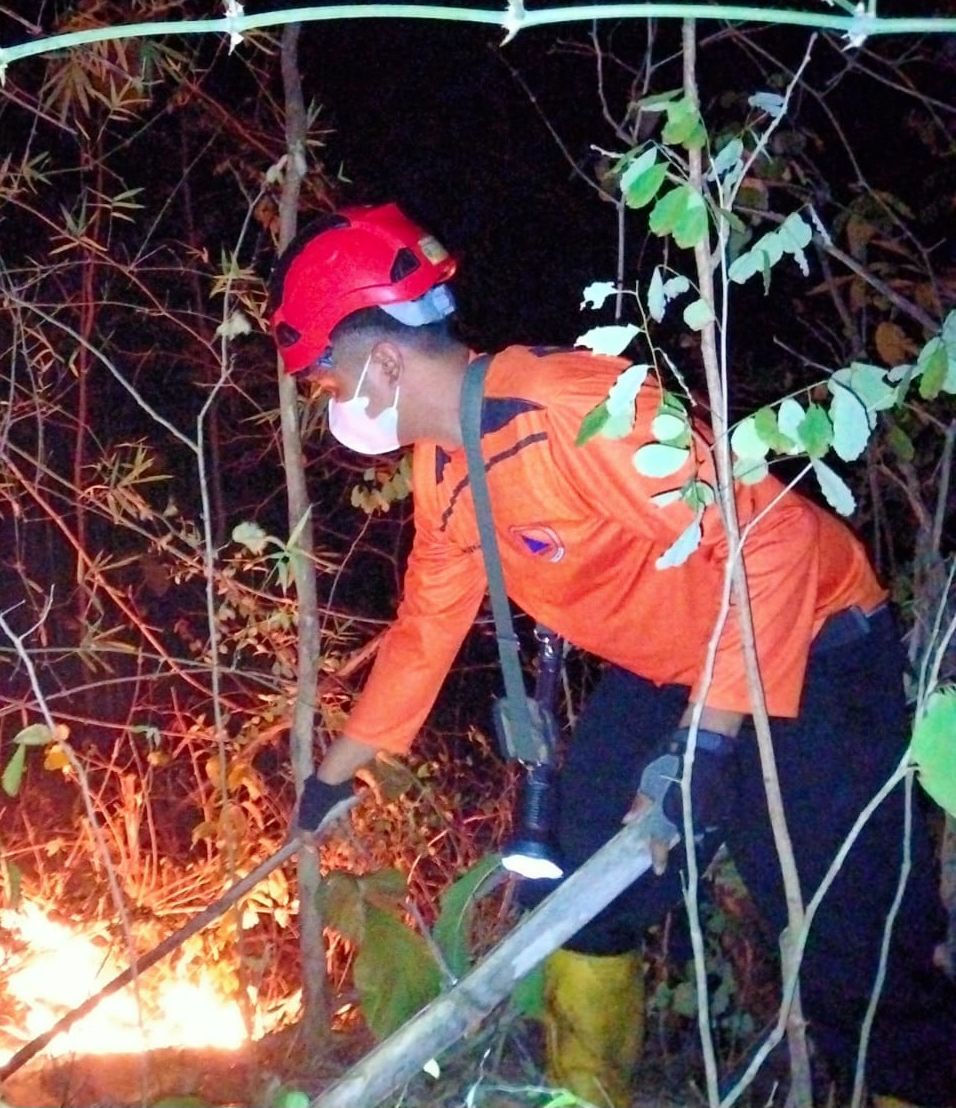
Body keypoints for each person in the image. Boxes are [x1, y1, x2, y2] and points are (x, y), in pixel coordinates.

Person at [268, 201, 956, 1107]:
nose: (332, 405)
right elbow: (424, 630)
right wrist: (334, 773)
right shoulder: (444, 468)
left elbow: (775, 543)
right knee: (583, 880)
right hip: (677, 666)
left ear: (385, 360)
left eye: (330, 380)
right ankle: (582, 1093)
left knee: (849, 946)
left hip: (813, 645)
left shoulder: (569, 412)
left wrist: (705, 748)